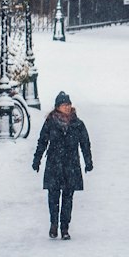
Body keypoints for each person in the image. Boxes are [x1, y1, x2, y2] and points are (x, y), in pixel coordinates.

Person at [32, 91, 93, 239]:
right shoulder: (50, 122)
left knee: (67, 198)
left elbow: (85, 144)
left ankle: (64, 228)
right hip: (54, 164)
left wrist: (88, 161)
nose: (67, 107)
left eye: (68, 104)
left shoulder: (78, 124)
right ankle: (53, 224)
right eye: (64, 105)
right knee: (53, 196)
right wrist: (37, 159)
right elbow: (42, 141)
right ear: (57, 107)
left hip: (71, 165)